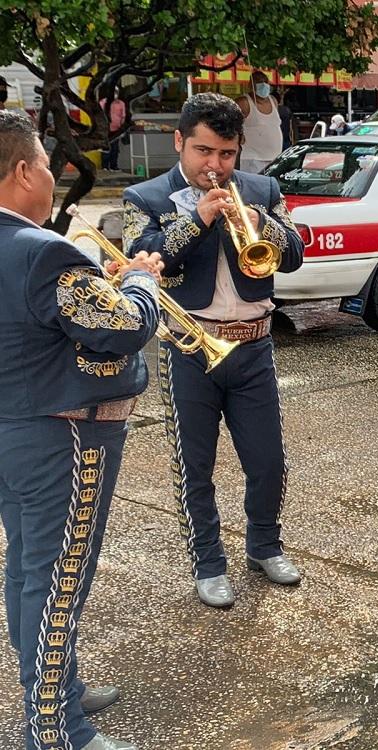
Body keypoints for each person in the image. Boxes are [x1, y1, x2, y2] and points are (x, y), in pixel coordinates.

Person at [0, 110, 162, 750]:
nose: (51, 172)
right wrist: (142, 282)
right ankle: (58, 729)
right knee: (59, 580)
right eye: (44, 162)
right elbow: (119, 327)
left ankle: (55, 686)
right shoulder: (43, 253)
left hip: (14, 429)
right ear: (20, 171)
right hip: (60, 437)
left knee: (27, 567)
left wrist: (107, 287)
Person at [122, 93, 305, 607]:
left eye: (227, 154)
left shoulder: (262, 188)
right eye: (204, 151)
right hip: (189, 347)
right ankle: (208, 562)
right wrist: (199, 218)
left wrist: (258, 221)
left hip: (254, 346)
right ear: (179, 142)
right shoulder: (145, 198)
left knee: (268, 461)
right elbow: (144, 258)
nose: (215, 166)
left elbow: (292, 253)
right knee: (194, 464)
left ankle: (264, 545)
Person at [238, 71, 283, 173]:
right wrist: (239, 134)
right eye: (258, 81)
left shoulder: (273, 100)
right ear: (251, 85)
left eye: (265, 81)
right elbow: (231, 120)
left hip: (275, 157)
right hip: (253, 159)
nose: (263, 84)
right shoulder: (244, 102)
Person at [100, 88, 127, 171]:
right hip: (105, 130)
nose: (115, 94)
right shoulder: (103, 102)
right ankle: (105, 166)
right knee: (105, 148)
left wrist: (122, 128)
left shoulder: (121, 103)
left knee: (115, 149)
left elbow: (123, 116)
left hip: (116, 130)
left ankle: (113, 166)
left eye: (116, 92)